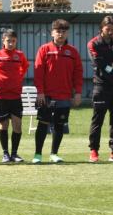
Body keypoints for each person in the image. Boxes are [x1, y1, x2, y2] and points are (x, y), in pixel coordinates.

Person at [32, 19, 83, 164]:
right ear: (52, 32)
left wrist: (78, 92)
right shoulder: (44, 49)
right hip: (46, 95)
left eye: (64, 31)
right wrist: (40, 92)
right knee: (43, 124)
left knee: (59, 125)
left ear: (67, 33)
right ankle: (37, 155)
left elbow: (78, 74)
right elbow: (38, 72)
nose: (61, 34)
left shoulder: (73, 52)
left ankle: (54, 153)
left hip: (64, 96)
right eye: (58, 31)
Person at [87, 16, 113, 162]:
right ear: (101, 29)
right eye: (108, 29)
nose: (111, 32)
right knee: (97, 120)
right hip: (101, 87)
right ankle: (93, 150)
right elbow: (99, 64)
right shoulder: (94, 43)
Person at [0, 29, 29, 163]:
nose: (10, 44)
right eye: (8, 41)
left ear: (16, 41)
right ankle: (5, 153)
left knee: (17, 125)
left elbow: (25, 67)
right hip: (0, 96)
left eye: (13, 41)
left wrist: (17, 79)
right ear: (3, 41)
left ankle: (15, 154)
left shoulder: (19, 55)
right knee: (3, 125)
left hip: (16, 96)